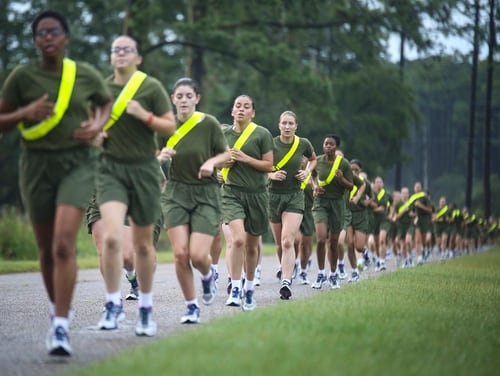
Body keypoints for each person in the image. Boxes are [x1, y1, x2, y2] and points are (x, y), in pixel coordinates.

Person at [0, 10, 112, 356]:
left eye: (54, 32)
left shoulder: (84, 74)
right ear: (35, 40)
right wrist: (24, 114)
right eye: (41, 33)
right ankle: (59, 309)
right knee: (46, 248)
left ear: (66, 37)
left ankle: (60, 327)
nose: (47, 38)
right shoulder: (22, 77)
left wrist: (96, 126)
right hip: (36, 166)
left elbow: (105, 103)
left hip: (77, 163)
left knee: (64, 244)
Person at [95, 35, 175, 336]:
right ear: (111, 56)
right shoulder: (101, 89)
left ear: (137, 57)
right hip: (110, 170)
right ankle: (113, 303)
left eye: (127, 49)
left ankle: (145, 307)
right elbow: (92, 126)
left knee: (142, 245)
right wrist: (95, 136)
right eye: (116, 49)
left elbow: (170, 126)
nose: (120, 54)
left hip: (144, 170)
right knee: (112, 239)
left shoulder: (151, 87)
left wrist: (145, 115)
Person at [160, 77, 229, 324]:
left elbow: (226, 153)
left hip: (205, 193)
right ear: (173, 99)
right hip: (176, 193)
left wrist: (211, 162)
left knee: (199, 256)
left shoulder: (208, 123)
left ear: (197, 98)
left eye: (189, 96)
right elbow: (150, 154)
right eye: (179, 96)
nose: (184, 100)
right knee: (180, 254)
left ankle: (208, 275)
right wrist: (160, 156)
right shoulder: (166, 124)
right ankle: (191, 306)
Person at [221, 95, 273, 310]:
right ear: (232, 111)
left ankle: (249, 287)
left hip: (257, 195)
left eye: (246, 107)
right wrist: (225, 162)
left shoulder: (262, 134)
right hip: (231, 193)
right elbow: (216, 161)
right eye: (237, 106)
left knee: (252, 245)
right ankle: (235, 287)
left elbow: (269, 166)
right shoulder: (223, 134)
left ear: (253, 112)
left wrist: (246, 159)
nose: (241, 109)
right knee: (237, 240)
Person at [268, 111, 316, 299]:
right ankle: (285, 266)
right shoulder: (270, 144)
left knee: (288, 240)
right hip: (273, 196)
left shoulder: (303, 144)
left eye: (291, 124)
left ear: (296, 126)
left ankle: (286, 282)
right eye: (284, 123)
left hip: (295, 196)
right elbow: (260, 167)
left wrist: (307, 172)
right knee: (280, 244)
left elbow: (312, 160)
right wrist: (270, 175)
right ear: (279, 125)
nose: (287, 127)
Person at [310, 134, 353, 289]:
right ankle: (321, 274)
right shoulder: (318, 161)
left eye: (331, 144)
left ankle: (333, 274)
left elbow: (351, 186)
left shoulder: (344, 164)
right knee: (321, 239)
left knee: (333, 242)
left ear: (336, 147)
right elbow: (312, 176)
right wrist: (315, 187)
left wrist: (341, 179)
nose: (327, 146)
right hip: (321, 202)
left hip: (337, 204)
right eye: (325, 143)